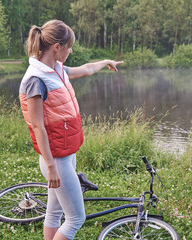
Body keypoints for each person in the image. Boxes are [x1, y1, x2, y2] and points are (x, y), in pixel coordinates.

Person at [19, 20, 123, 240]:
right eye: (69, 46)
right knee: (76, 218)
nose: (71, 50)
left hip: (65, 155)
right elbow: (38, 126)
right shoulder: (36, 80)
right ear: (57, 47)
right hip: (56, 160)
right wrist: (51, 167)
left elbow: (85, 70)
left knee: (54, 211)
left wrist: (106, 61)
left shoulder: (56, 70)